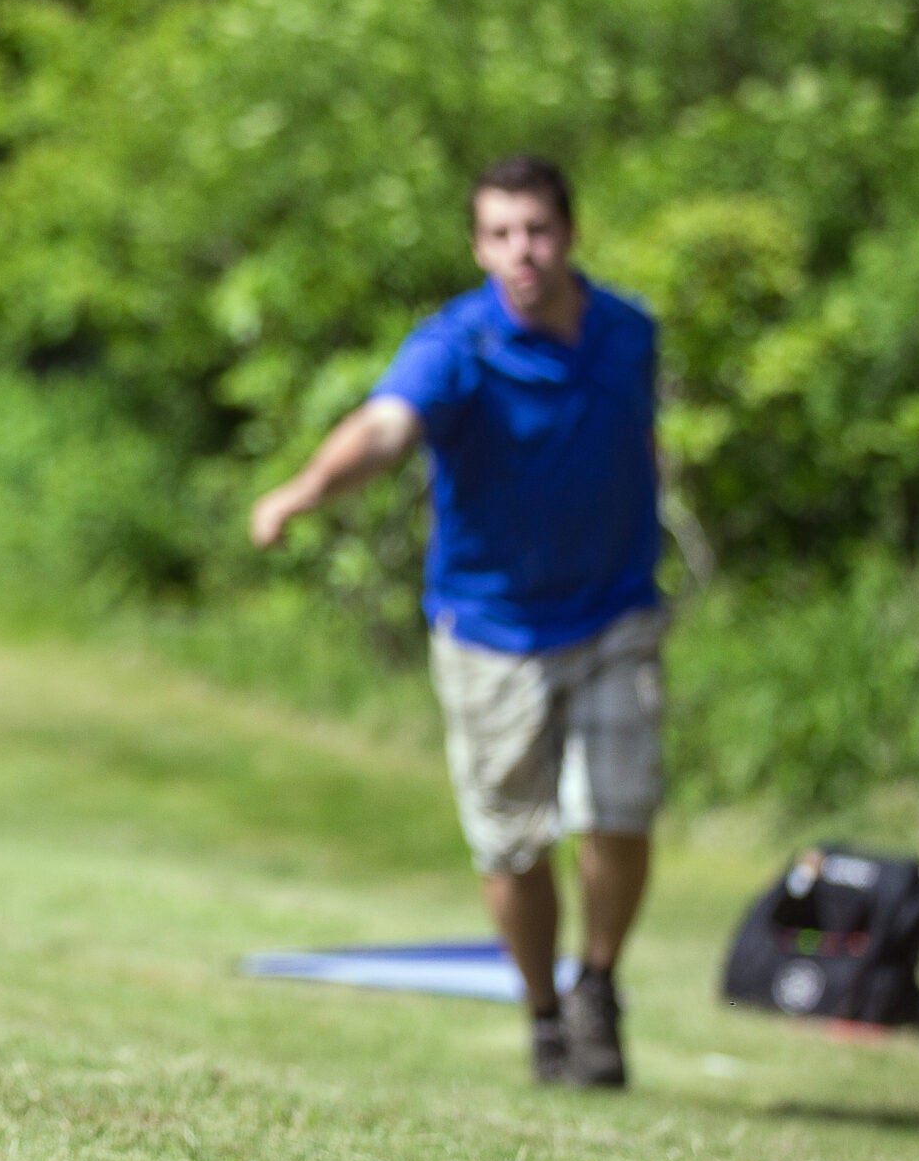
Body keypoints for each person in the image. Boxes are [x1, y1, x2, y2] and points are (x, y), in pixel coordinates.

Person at [248, 155, 663, 1089]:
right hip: (492, 627)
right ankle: (545, 1011)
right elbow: (389, 426)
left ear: (570, 232)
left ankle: (597, 984)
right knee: (514, 845)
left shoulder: (631, 332)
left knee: (619, 810)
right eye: (504, 233)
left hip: (615, 609)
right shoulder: (456, 346)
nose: (525, 250)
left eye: (540, 229)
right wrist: (304, 492)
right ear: (479, 245)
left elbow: (642, 439)